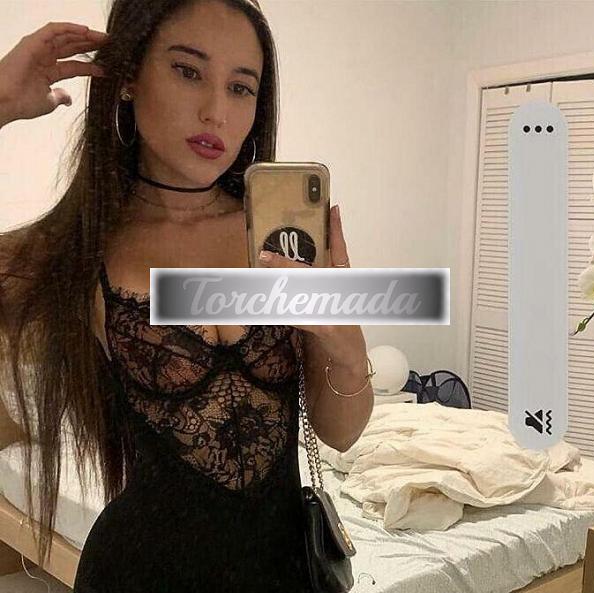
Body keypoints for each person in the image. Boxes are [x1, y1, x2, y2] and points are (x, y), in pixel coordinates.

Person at [0, 1, 374, 591]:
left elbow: (341, 433)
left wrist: (349, 351)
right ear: (128, 78)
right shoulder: (72, 247)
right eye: (188, 71)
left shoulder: (282, 240)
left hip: (287, 575)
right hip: (140, 573)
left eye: (241, 87)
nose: (216, 112)